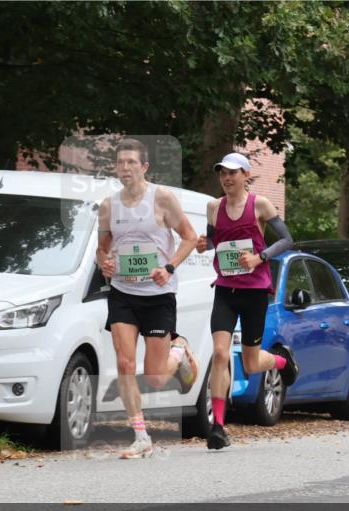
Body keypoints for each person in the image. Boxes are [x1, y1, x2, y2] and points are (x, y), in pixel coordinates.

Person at [97, 138, 199, 459]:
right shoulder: (108, 206)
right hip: (123, 294)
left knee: (154, 377)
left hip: (158, 296)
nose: (125, 167)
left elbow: (190, 236)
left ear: (144, 167)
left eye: (131, 162)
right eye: (120, 162)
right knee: (125, 362)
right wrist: (105, 262)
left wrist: (168, 268)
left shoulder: (162, 198)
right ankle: (141, 436)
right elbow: (102, 249)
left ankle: (179, 352)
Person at [196, 152, 299, 450]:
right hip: (226, 289)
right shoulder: (213, 207)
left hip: (254, 292)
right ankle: (218, 426)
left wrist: (259, 257)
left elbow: (287, 239)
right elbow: (216, 240)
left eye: (232, 173)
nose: (226, 178)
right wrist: (206, 244)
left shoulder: (260, 205)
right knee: (219, 353)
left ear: (245, 175)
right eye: (222, 173)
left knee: (252, 364)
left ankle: (281, 360)